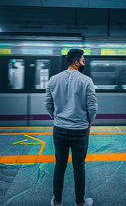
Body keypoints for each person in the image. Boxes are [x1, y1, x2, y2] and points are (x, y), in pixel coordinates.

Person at [45, 49, 98, 206]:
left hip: (59, 129)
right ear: (76, 62)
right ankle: (80, 202)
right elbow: (92, 106)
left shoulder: (53, 80)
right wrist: (90, 121)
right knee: (79, 167)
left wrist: (57, 118)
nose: (84, 63)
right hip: (80, 131)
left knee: (60, 165)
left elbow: (47, 104)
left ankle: (57, 201)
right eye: (82, 60)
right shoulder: (86, 80)